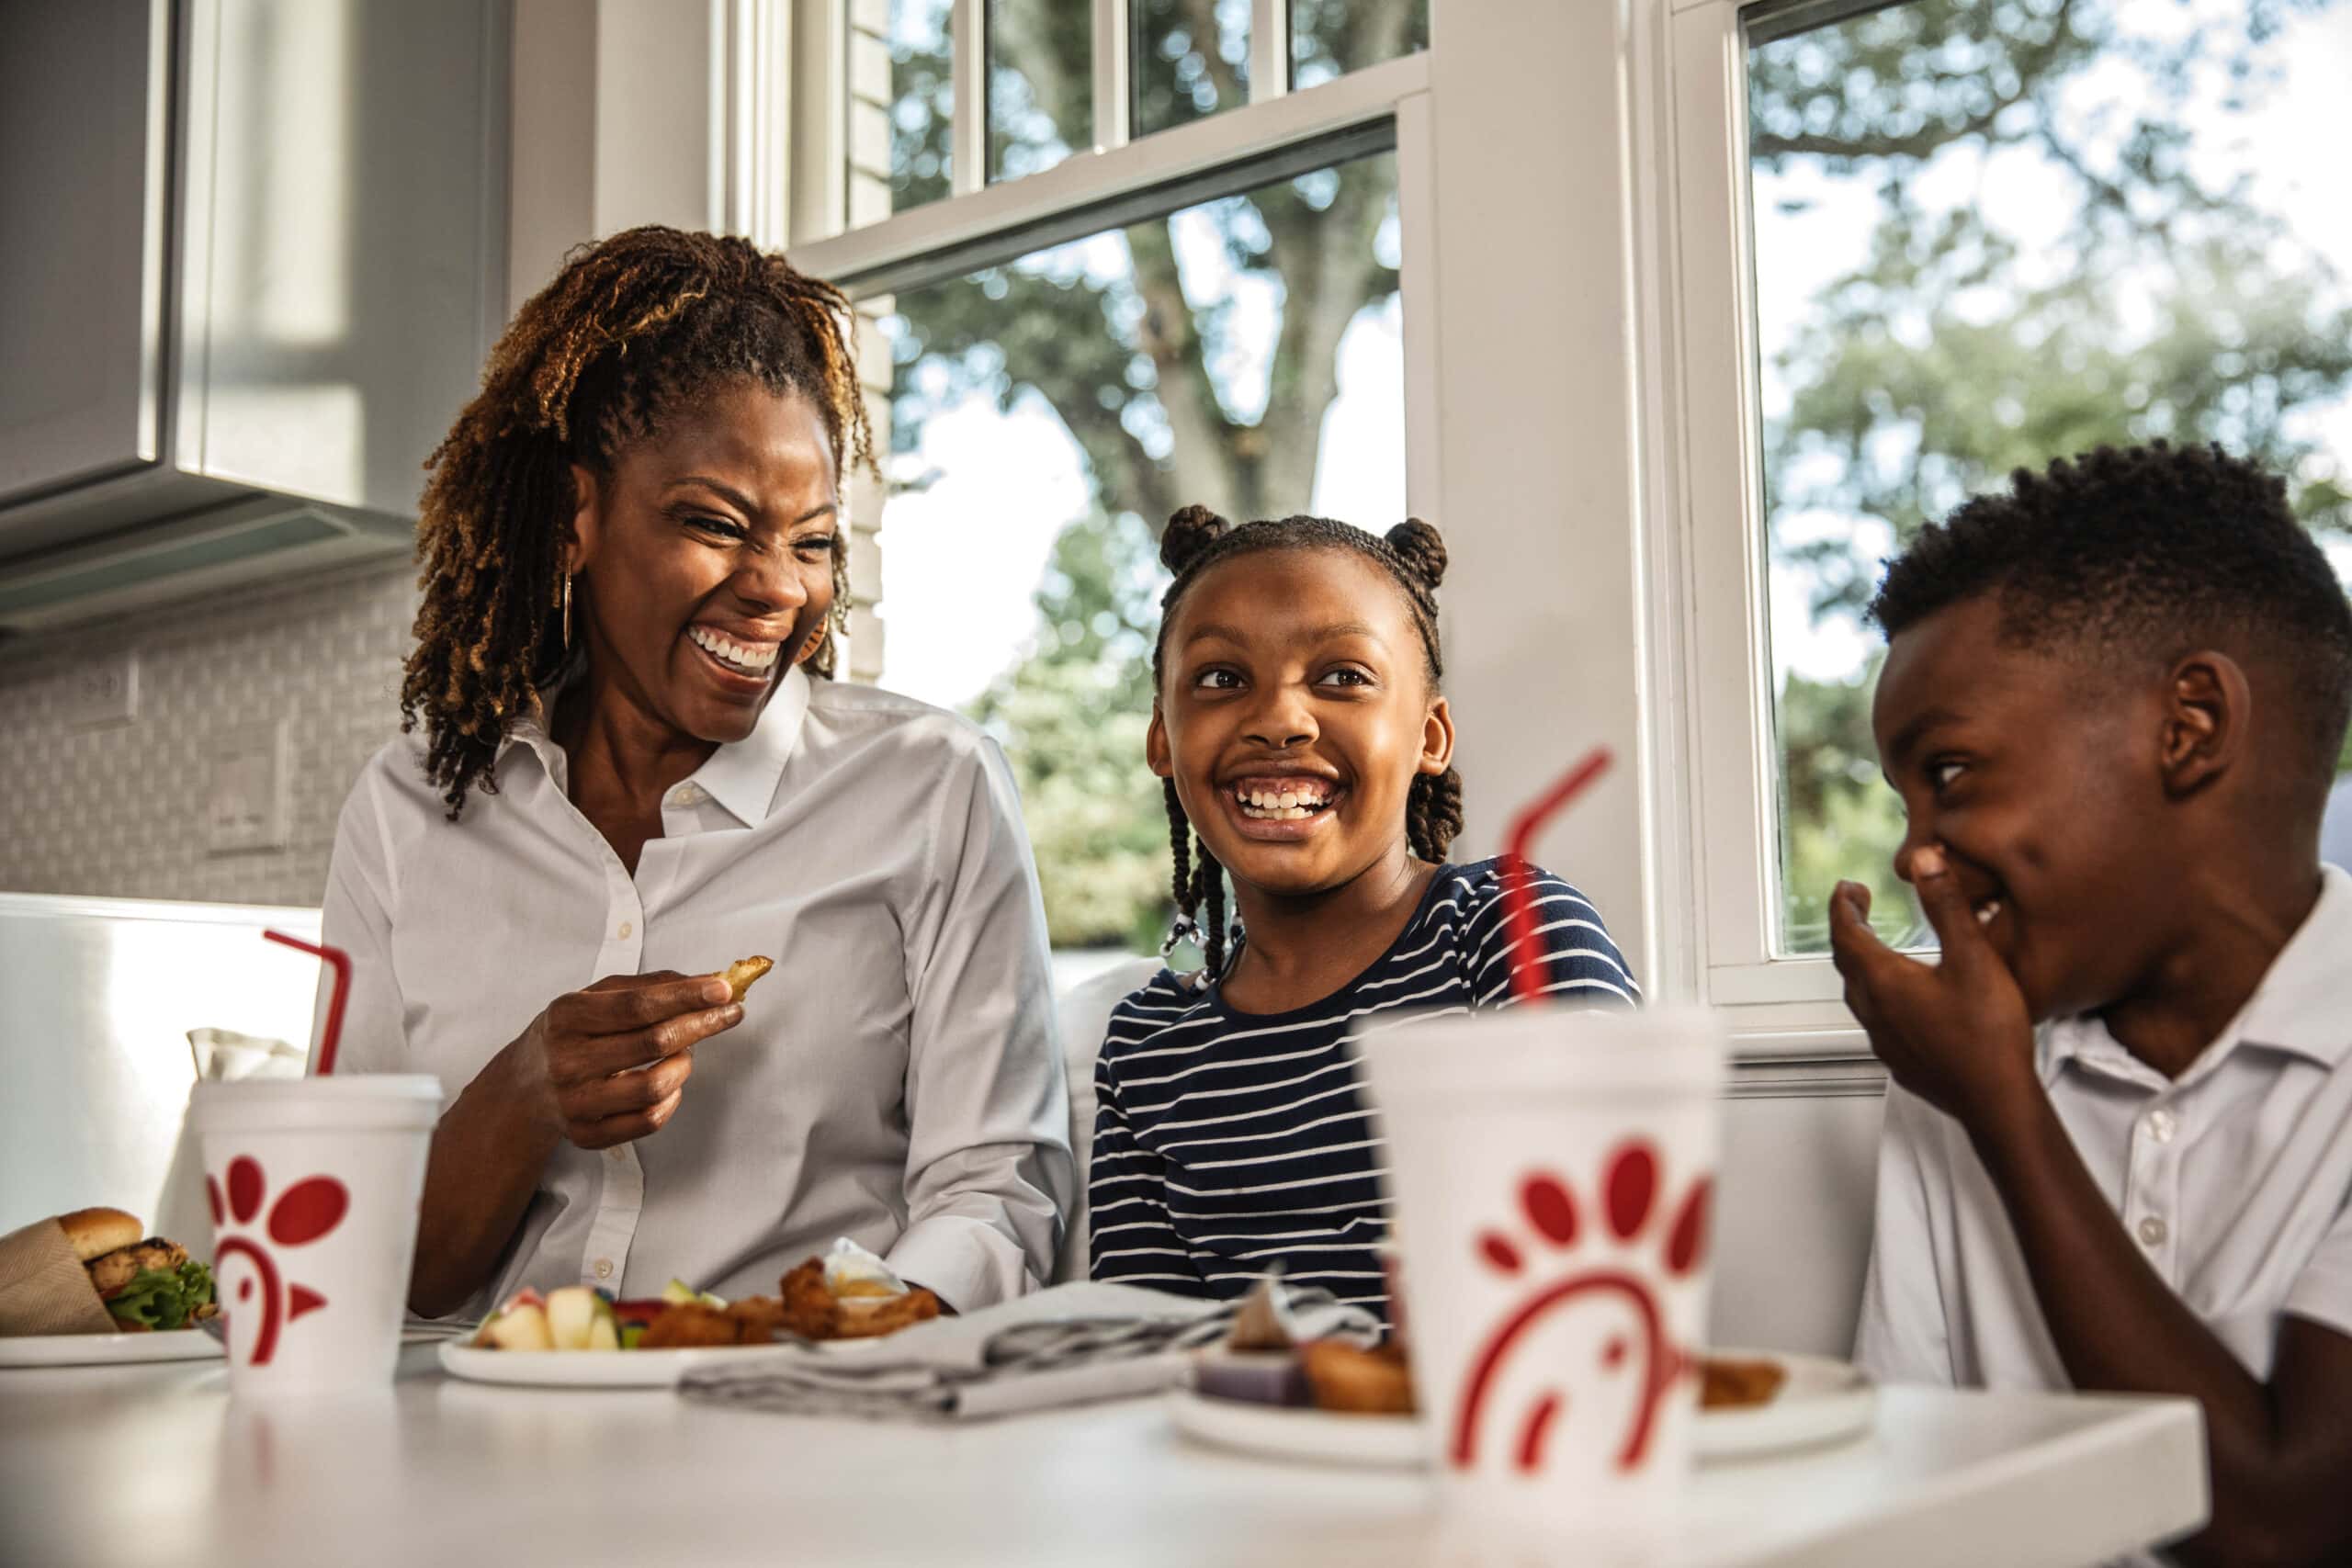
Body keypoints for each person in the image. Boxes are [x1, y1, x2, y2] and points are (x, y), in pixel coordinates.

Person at [322, 226, 1072, 1319]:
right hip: (484, 1438)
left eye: (811, 543)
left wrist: (839, 1337)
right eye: (716, 526)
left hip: (804, 1426)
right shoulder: (409, 808)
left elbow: (996, 1193)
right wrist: (527, 1092)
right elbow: (356, 1265)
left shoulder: (930, 786)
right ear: (578, 515)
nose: (776, 589)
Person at [1831, 444, 2352, 1568]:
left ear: (2190, 726)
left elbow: (2285, 1528)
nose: (1916, 850)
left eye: (1951, 772)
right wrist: (1978, 1095)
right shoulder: (1951, 1072)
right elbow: (1904, 1517)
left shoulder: (1971, 1075)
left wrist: (2003, 1113)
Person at [1086, 507, 1636, 1323]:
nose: (1279, 718)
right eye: (1221, 679)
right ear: (1162, 739)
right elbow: (1138, 1355)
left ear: (1431, 734)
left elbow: (1594, 1278)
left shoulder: (1511, 934)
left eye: (1343, 676)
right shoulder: (1148, 1048)